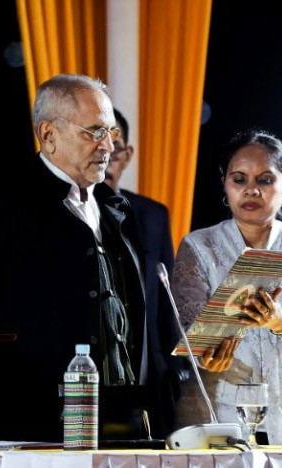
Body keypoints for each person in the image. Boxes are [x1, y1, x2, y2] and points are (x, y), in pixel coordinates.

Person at [0, 74, 180, 442]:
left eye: (110, 133)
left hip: (117, 421)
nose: (108, 146)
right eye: (94, 132)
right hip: (26, 419)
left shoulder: (115, 212)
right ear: (48, 136)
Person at [170, 129, 282, 444]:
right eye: (239, 179)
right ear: (225, 185)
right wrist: (203, 355)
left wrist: (280, 322)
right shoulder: (199, 245)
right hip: (215, 410)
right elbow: (187, 328)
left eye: (265, 180)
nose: (251, 191)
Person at [104, 108, 181, 434]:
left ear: (128, 155)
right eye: (97, 140)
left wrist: (175, 372)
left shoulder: (153, 215)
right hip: (84, 383)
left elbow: (166, 302)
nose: (106, 154)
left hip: (147, 386)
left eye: (115, 146)